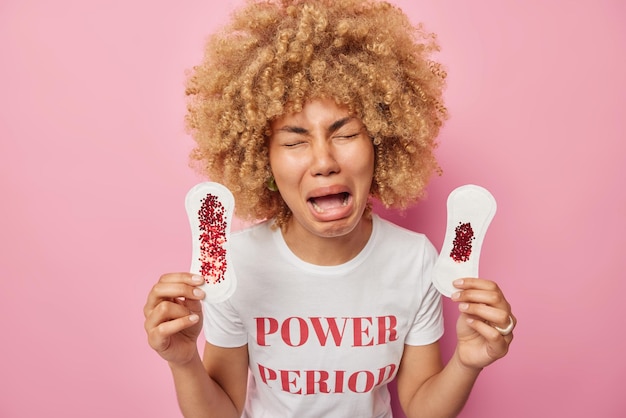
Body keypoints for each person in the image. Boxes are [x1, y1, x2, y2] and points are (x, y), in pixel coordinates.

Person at [143, 0, 516, 417]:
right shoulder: (237, 264)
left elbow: (421, 408)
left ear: (381, 142)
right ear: (262, 160)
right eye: (294, 141)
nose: (323, 162)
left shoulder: (414, 261)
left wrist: (467, 362)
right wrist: (184, 361)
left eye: (346, 133)